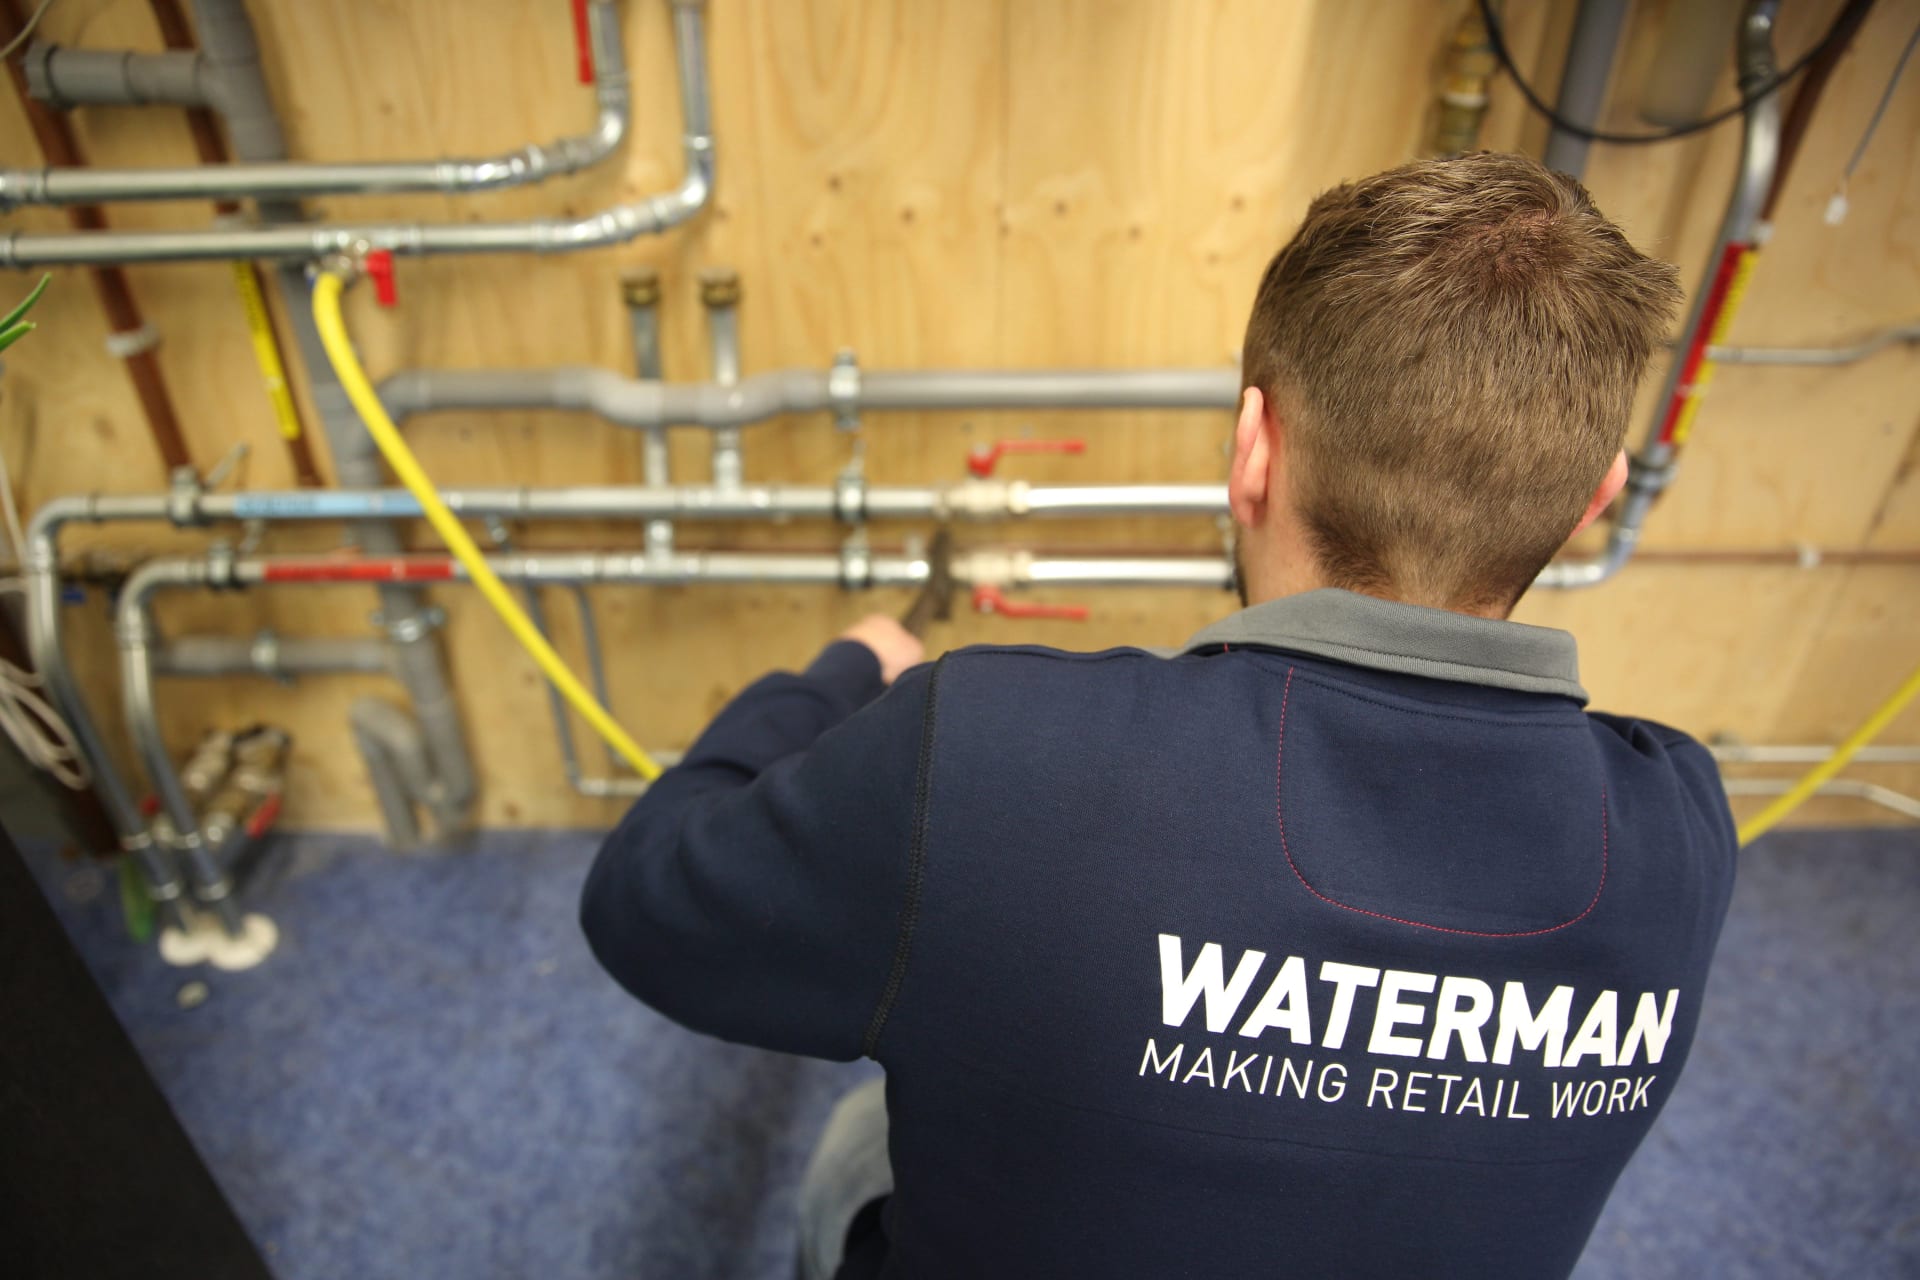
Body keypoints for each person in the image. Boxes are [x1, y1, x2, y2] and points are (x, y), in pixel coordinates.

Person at [581, 151, 1736, 1279]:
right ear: (1595, 497)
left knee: (856, 1142)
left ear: (1252, 448)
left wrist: (836, 675)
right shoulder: (1682, 836)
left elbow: (645, 902)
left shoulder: (992, 754)